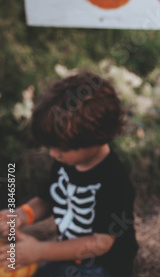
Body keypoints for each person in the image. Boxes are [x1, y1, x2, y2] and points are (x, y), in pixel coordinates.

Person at [0, 71, 138, 277]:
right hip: (65, 259)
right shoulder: (64, 162)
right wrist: (21, 215)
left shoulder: (114, 180)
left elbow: (101, 243)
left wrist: (40, 251)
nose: (53, 154)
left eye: (62, 149)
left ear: (97, 137)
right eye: (51, 147)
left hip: (103, 267)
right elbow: (48, 198)